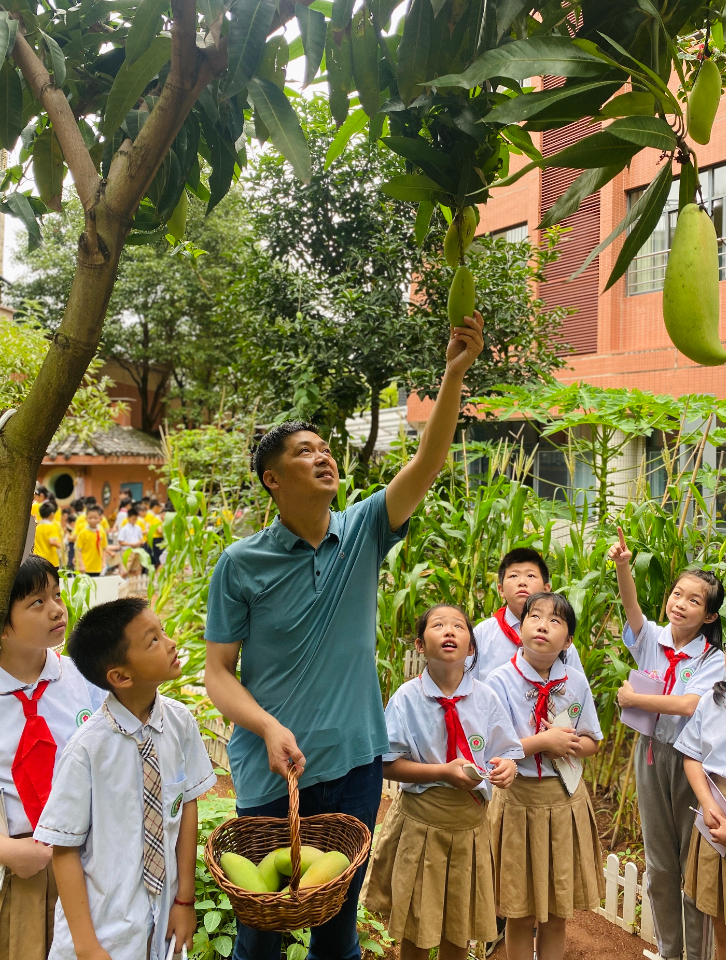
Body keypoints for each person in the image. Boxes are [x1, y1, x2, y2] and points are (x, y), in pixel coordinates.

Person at [204, 312, 484, 960]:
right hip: (273, 773)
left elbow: (427, 461)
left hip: (356, 763)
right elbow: (219, 672)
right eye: (303, 452)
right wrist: (269, 729)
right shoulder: (240, 564)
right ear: (272, 480)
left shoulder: (361, 531)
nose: (323, 455)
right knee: (261, 934)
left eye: (324, 447)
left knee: (338, 932)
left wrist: (453, 373)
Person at [34, 598, 216, 960]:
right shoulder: (87, 750)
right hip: (104, 935)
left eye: (162, 630)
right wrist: (87, 947)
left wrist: (185, 900)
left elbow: (188, 807)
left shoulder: (180, 724)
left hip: (161, 927)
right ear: (120, 676)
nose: (170, 643)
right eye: (153, 640)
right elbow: (64, 850)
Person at [363, 604, 522, 959]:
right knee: (417, 927)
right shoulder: (407, 699)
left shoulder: (487, 698)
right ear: (420, 646)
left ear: (471, 648)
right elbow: (388, 765)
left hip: (469, 828)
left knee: (459, 926)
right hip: (422, 827)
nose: (449, 631)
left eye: (458, 627)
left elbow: (507, 753)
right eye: (438, 626)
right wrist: (442, 772)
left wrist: (507, 769)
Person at [608, 527, 725, 960]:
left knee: (692, 864)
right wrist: (624, 565)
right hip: (651, 755)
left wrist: (635, 698)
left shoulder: (714, 660)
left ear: (709, 616)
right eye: (678, 594)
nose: (681, 603)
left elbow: (690, 705)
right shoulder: (652, 640)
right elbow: (632, 607)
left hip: (694, 765)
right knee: (660, 865)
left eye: (695, 600)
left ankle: (696, 956)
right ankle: (669, 952)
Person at [485, 593, 605, 960]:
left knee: (556, 913)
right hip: (519, 801)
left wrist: (567, 745)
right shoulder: (499, 681)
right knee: (518, 912)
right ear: (520, 628)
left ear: (568, 640)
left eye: (555, 621)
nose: (542, 624)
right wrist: (543, 742)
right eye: (534, 616)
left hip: (563, 801)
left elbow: (591, 742)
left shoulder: (576, 682)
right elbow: (494, 749)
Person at [0, 556, 103, 960]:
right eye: (37, 603)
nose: (57, 609)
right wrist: (5, 850)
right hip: (22, 864)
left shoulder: (83, 679)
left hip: (85, 855)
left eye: (56, 595)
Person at [471, 548, 584, 685]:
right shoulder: (482, 633)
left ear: (546, 589)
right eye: (513, 576)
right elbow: (469, 684)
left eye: (531, 576)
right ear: (501, 590)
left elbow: (575, 686)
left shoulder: (559, 637)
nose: (522, 582)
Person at [676, 666, 726, 960]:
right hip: (715, 819)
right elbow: (692, 754)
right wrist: (707, 803)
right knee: (722, 931)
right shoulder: (713, 700)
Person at [76, 505, 110, 577]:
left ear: (100, 519)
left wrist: (103, 562)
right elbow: (79, 550)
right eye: (90, 518)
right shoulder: (83, 533)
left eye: (95, 518)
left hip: (98, 567)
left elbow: (104, 548)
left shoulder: (102, 531)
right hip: (86, 567)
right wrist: (81, 564)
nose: (92, 520)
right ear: (86, 518)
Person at [33, 502, 62, 572]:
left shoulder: (37, 527)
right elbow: (52, 541)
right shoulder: (52, 528)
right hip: (50, 560)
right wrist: (60, 545)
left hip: (38, 559)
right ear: (52, 514)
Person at [146, 500, 165, 568]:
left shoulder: (155, 517)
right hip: (156, 539)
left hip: (156, 539)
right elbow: (159, 530)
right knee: (159, 559)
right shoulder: (155, 518)